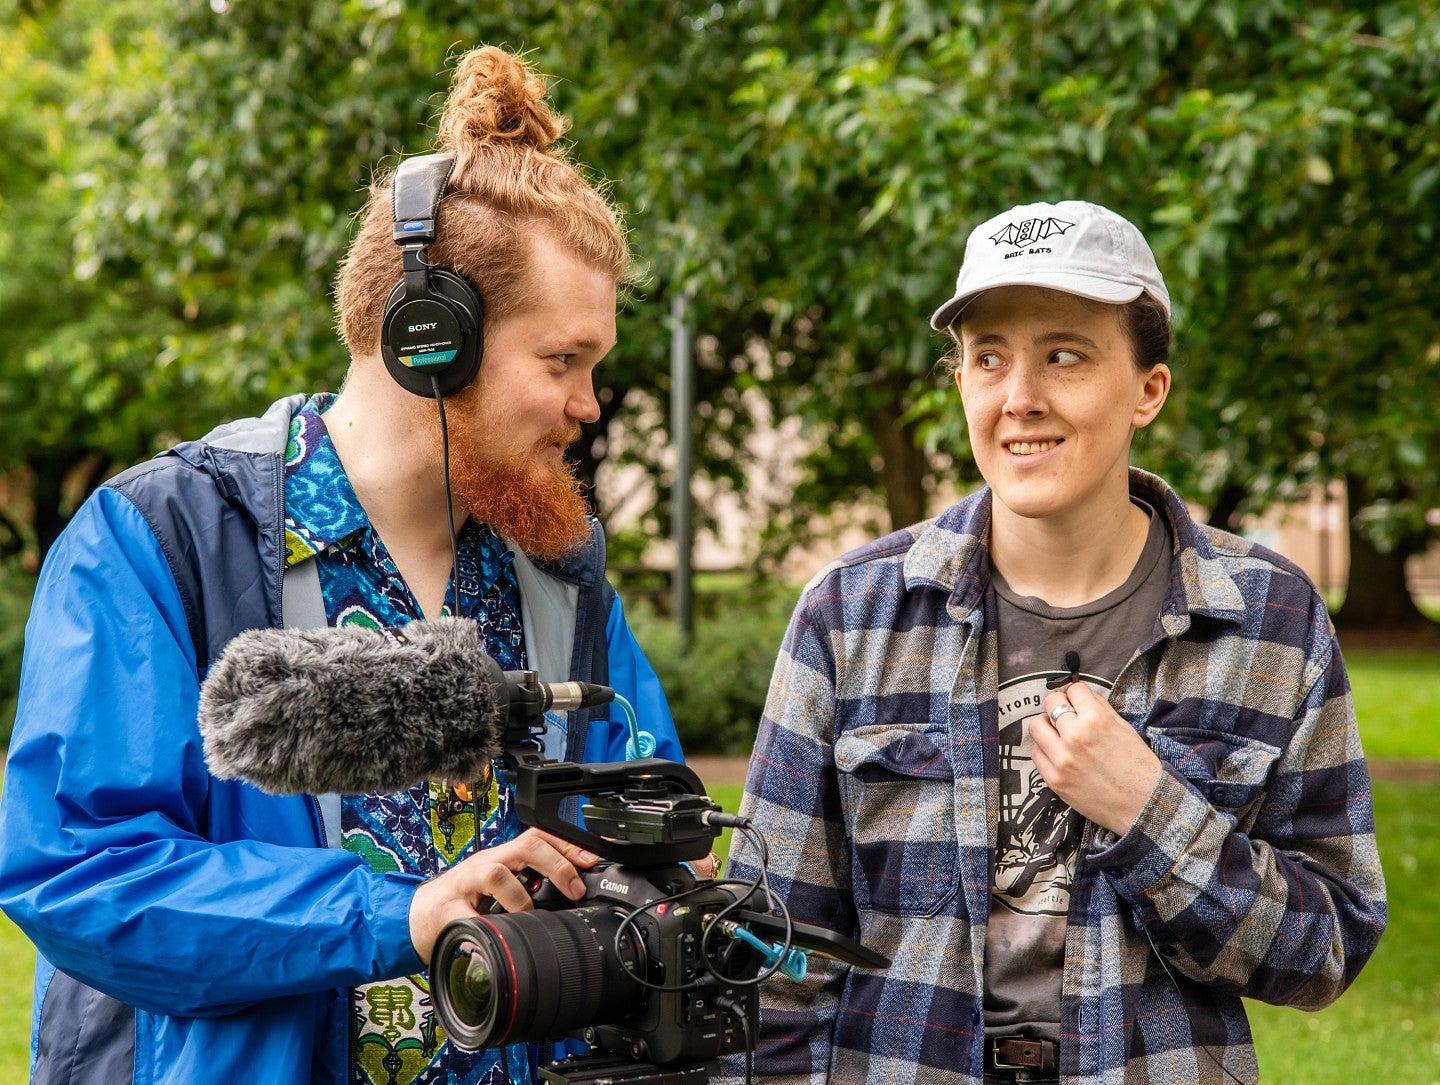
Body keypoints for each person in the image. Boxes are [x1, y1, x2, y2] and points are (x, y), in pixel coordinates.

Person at [0, 45, 699, 1085]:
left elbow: (649, 813)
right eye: (563, 363)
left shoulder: (559, 566)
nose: (588, 405)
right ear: (430, 341)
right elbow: (81, 872)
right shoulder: (157, 537)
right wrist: (398, 914)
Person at [724, 200, 1386, 1085]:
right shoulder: (849, 616)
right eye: (988, 357)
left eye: (1064, 354)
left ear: (1148, 388)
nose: (1020, 396)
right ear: (959, 380)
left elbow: (1329, 944)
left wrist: (1153, 811)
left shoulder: (1270, 618)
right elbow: (767, 959)